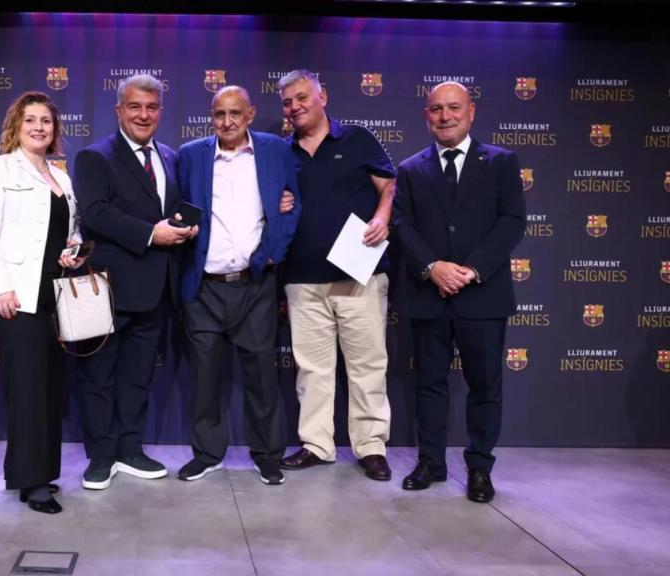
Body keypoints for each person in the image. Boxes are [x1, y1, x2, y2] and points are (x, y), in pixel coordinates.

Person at [392, 81, 526, 503]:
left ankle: (480, 467)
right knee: (429, 384)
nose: (445, 116)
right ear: (426, 116)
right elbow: (402, 224)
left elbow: (512, 221)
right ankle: (430, 462)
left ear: (471, 112)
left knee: (485, 386)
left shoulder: (501, 162)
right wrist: (433, 267)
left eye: (453, 108)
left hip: (482, 295)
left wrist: (472, 270)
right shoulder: (410, 169)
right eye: (436, 109)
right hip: (429, 294)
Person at [73, 74, 196, 490]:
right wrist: (150, 234)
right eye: (134, 107)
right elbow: (95, 213)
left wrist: (185, 227)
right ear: (118, 110)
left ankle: (129, 449)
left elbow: (170, 209)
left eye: (151, 107)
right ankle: (101, 457)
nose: (143, 115)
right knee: (98, 376)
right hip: (106, 288)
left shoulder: (170, 156)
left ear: (161, 111)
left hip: (157, 289)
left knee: (137, 377)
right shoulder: (95, 157)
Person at [176, 86, 300, 486]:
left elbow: (291, 204)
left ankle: (267, 455)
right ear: (211, 116)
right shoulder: (190, 154)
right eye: (219, 114)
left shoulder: (275, 150)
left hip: (255, 283)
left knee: (262, 376)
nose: (227, 122)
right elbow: (178, 208)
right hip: (204, 286)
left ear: (250, 114)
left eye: (235, 113)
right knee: (204, 377)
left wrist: (271, 254)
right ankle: (207, 454)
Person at [277, 69, 396, 482]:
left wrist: (382, 219)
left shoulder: (357, 138)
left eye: (302, 97)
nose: (295, 107)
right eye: (287, 102)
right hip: (302, 278)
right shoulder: (282, 152)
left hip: (359, 275)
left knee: (367, 366)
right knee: (312, 370)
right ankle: (316, 444)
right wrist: (280, 203)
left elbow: (389, 187)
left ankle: (371, 447)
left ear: (322, 96)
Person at [0, 91, 82, 515]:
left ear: (55, 129)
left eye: (46, 121)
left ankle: (40, 473)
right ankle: (30, 481)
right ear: (16, 125)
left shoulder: (61, 177)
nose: (39, 127)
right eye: (30, 119)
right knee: (29, 390)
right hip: (15, 299)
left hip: (53, 297)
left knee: (49, 388)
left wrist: (73, 251)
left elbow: (68, 232)